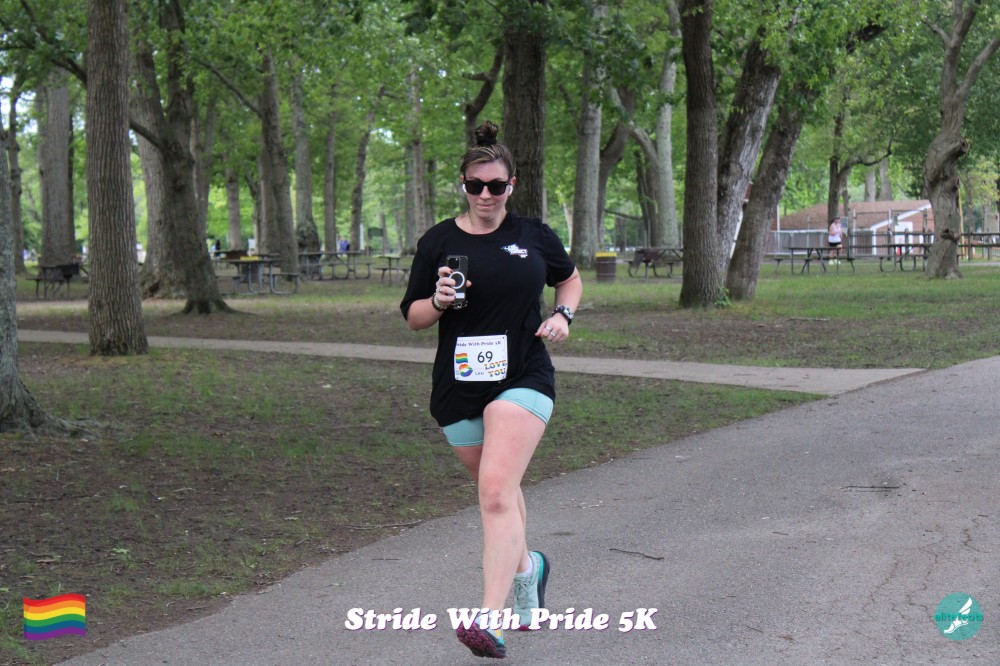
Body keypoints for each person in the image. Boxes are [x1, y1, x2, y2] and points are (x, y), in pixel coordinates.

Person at [400, 120, 582, 659]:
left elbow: (569, 278)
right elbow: (413, 317)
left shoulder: (534, 235)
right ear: (462, 184)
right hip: (458, 388)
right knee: (501, 490)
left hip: (524, 375)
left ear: (511, 185)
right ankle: (530, 569)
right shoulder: (439, 241)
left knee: (496, 494)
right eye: (475, 185)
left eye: (496, 185)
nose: (485, 195)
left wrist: (563, 315)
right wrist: (438, 301)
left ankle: (489, 618)